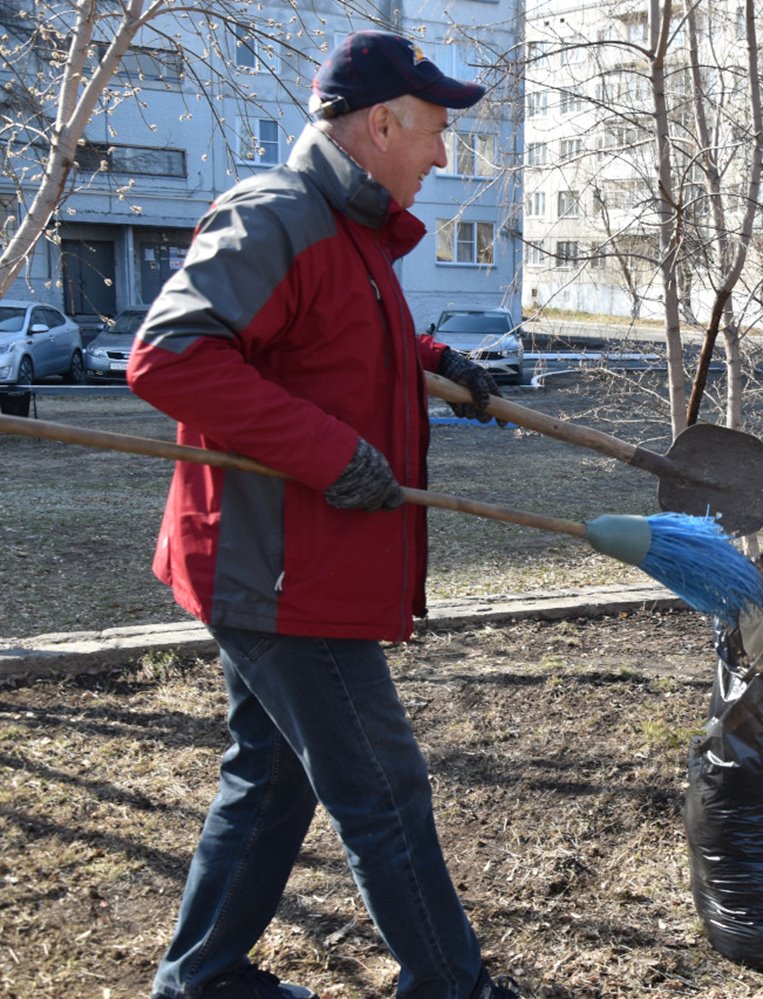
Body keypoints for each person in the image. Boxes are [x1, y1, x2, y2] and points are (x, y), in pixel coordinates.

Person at [127, 30, 519, 999]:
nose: (442, 155)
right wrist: (333, 454)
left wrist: (432, 362)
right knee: (382, 786)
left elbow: (324, 340)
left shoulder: (348, 230)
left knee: (270, 778)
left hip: (295, 565)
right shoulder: (277, 215)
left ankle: (202, 980)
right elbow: (172, 356)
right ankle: (453, 986)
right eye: (433, 132)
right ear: (380, 124)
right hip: (276, 572)